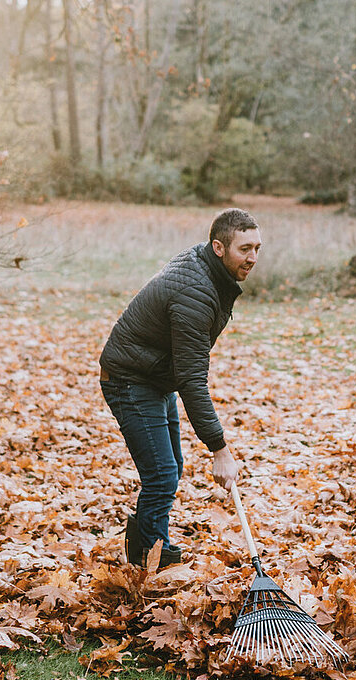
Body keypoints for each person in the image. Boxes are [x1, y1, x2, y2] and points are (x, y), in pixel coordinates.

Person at [99, 208, 261, 569]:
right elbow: (192, 381)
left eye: (257, 248)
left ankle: (148, 548)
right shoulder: (196, 294)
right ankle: (150, 560)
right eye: (244, 248)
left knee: (170, 468)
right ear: (218, 247)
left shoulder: (207, 269)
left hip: (152, 375)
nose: (252, 258)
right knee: (161, 475)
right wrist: (220, 449)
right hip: (129, 379)